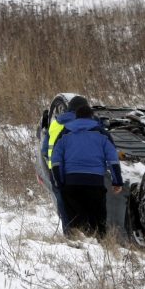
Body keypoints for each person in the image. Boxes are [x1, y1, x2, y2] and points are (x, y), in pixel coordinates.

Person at [50, 105, 123, 237]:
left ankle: (79, 248)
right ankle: (99, 247)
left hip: (71, 183)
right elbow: (113, 159)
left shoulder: (65, 133)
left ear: (76, 117)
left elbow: (56, 161)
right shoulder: (102, 133)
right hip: (95, 184)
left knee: (75, 223)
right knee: (97, 221)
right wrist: (117, 181)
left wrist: (60, 182)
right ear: (92, 117)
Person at [40, 95, 90, 229]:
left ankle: (70, 234)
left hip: (55, 172)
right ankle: (86, 234)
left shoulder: (55, 123)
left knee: (64, 205)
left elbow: (45, 150)